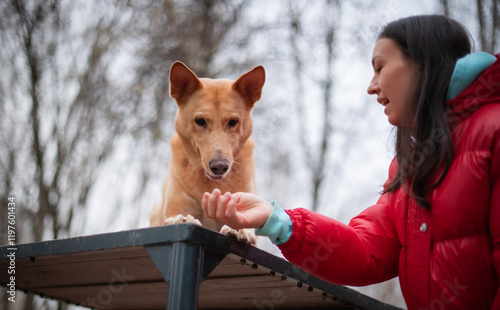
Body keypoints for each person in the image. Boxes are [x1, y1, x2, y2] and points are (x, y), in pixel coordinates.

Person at [201, 15, 500, 310]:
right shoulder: (408, 168)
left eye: (380, 67)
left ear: (424, 64)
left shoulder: (493, 132)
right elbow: (366, 252)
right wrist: (276, 220)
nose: (371, 87)